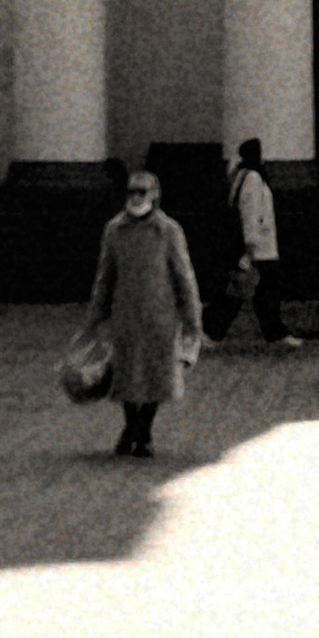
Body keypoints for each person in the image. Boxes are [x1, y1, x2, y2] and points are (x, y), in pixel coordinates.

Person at [86, 165, 204, 460]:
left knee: (156, 376)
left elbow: (184, 276)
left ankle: (144, 432)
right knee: (125, 376)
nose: (136, 197)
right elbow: (105, 276)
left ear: (155, 195)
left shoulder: (168, 231)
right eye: (131, 192)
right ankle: (132, 428)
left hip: (160, 316)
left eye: (142, 192)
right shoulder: (114, 230)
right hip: (125, 314)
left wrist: (192, 319)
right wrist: (94, 317)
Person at [223, 136, 298, 348]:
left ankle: (213, 329)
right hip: (261, 247)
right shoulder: (254, 178)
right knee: (264, 292)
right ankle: (275, 332)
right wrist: (251, 244)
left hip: (255, 246)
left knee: (241, 290)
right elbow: (252, 212)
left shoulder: (241, 175)